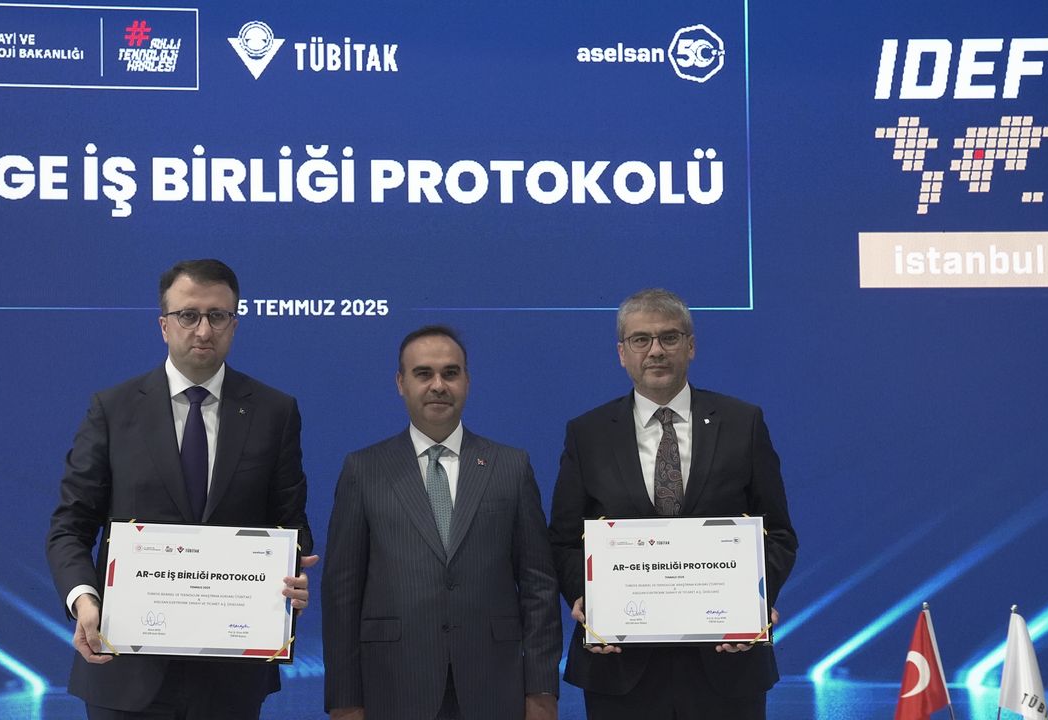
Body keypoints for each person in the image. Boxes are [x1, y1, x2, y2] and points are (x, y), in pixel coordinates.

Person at [45, 258, 316, 719]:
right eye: (189, 315)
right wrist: (83, 599)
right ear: (164, 325)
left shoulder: (275, 412)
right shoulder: (113, 410)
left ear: (234, 324)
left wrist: (293, 575)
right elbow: (69, 526)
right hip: (125, 672)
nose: (204, 330)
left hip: (231, 675)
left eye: (218, 316)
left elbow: (291, 525)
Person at [548, 289, 797, 719]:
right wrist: (589, 600)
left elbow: (778, 533)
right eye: (640, 340)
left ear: (691, 346)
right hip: (619, 667)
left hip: (728, 663)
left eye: (669, 337)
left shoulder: (743, 423)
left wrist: (754, 601)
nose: (656, 351)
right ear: (622, 353)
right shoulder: (588, 433)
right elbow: (564, 540)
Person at [322, 326, 562, 720]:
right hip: (394, 685)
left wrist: (542, 690)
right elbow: (342, 594)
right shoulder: (364, 470)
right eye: (423, 374)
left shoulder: (510, 467)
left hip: (494, 685)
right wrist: (345, 699)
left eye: (451, 373)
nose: (438, 385)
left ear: (467, 381)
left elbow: (538, 586)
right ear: (401, 383)